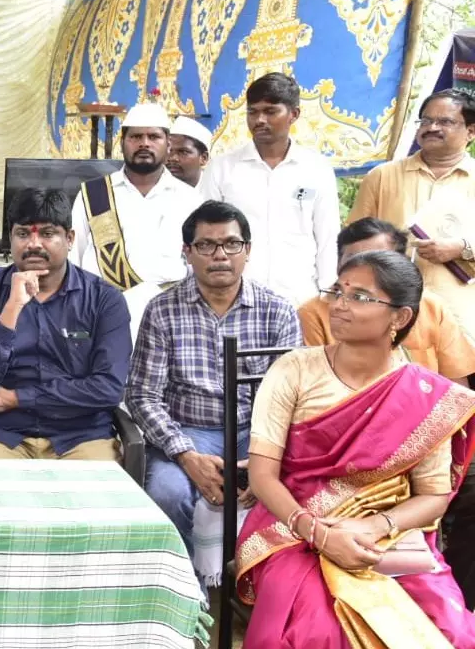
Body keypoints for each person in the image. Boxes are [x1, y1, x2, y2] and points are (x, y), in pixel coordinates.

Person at [237, 250, 475, 647]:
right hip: (292, 526)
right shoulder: (295, 369)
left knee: (449, 632)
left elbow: (434, 496)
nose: (339, 305)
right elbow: (262, 477)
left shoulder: (424, 395)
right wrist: (319, 534)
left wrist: (374, 527)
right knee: (315, 630)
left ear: (400, 317)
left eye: (360, 296)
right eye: (338, 291)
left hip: (388, 534)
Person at [126, 200, 301, 555]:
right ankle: (188, 584)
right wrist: (185, 454)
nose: (220, 255)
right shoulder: (162, 310)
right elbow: (143, 395)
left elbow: (293, 398)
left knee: (294, 491)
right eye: (206, 245)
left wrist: (264, 459)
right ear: (187, 252)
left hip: (257, 432)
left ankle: (260, 578)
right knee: (166, 495)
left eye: (231, 244)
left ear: (247, 250)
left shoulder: (278, 311)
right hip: (188, 430)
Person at [0, 188, 131, 460]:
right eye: (23, 234)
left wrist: (18, 398)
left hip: (82, 436)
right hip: (3, 435)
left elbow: (108, 388)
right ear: (11, 238)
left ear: (69, 239)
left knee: (96, 484)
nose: (34, 244)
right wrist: (11, 309)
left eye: (47, 234)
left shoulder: (104, 300)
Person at [201, 72, 339, 305]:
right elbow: (205, 234)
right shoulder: (222, 168)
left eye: (270, 111)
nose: (259, 120)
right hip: (236, 298)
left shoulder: (317, 169)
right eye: (252, 112)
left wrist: (327, 295)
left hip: (300, 298)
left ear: (294, 114)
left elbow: (328, 236)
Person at [70, 102, 203, 339]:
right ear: (122, 142)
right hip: (103, 318)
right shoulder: (94, 194)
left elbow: (198, 266)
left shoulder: (190, 199)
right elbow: (73, 259)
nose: (144, 143)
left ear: (168, 144)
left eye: (154, 136)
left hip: (172, 320)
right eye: (136, 137)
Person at [348, 89, 475, 329]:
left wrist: (462, 248)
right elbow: (353, 242)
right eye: (426, 121)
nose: (432, 128)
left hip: (462, 313)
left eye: (445, 122)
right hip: (390, 309)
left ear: (471, 131)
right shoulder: (382, 176)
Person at [299, 217, 475, 381]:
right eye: (354, 260)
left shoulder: (431, 307)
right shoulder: (312, 313)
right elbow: (315, 388)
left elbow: (457, 387)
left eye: (380, 260)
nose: (364, 270)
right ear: (338, 264)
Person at [168, 115, 213, 189]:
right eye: (169, 150)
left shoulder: (217, 190)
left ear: (203, 158)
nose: (172, 158)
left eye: (183, 152)